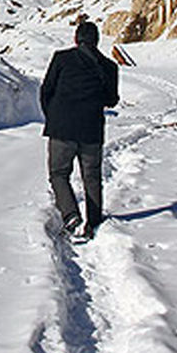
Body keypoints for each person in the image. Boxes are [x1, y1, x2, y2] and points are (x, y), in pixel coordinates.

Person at [40, 19, 119, 242]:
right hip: (92, 130)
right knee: (92, 177)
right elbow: (112, 100)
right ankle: (94, 221)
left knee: (59, 174)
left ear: (76, 39)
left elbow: (46, 90)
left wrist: (53, 116)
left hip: (62, 128)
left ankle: (71, 216)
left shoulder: (61, 58)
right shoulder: (109, 66)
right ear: (97, 40)